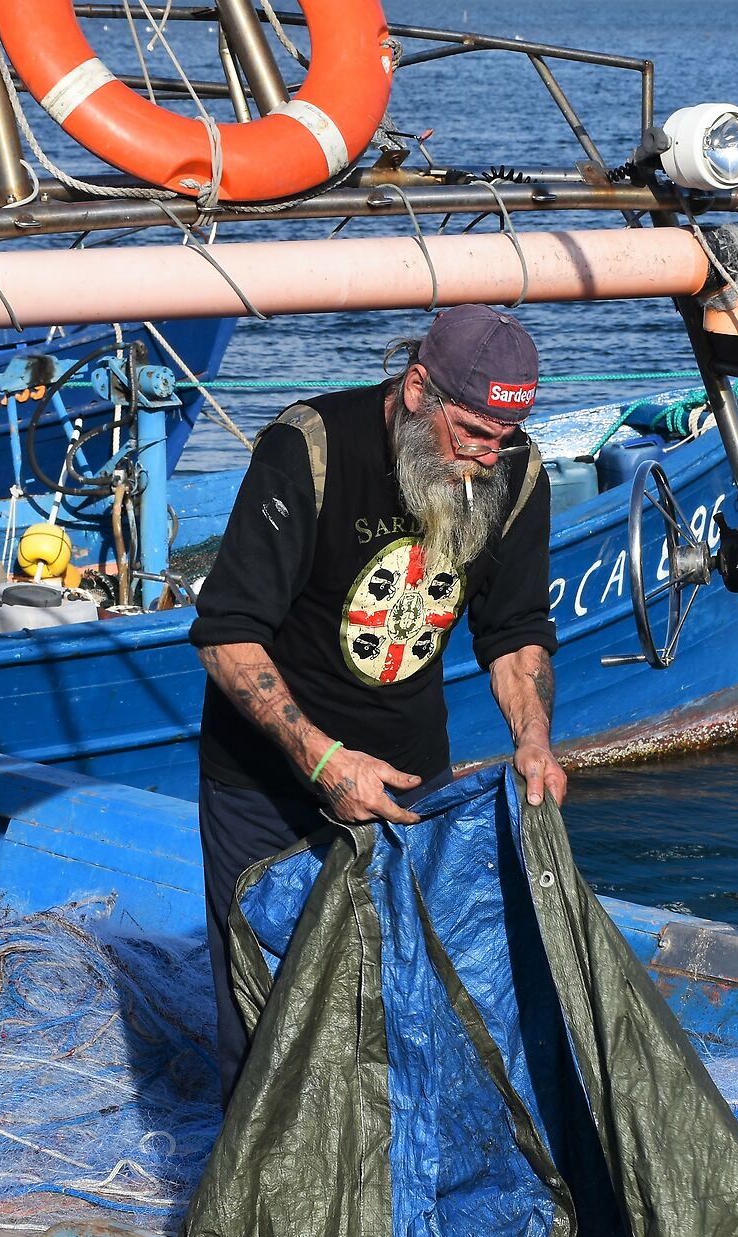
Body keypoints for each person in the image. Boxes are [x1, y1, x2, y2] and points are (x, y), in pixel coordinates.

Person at [191, 304, 568, 1096]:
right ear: (417, 388)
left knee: (398, 1015)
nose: (483, 457)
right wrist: (324, 762)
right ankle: (263, 1213)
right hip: (269, 784)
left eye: (502, 438)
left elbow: (514, 630)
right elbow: (227, 635)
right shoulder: (311, 448)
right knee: (268, 1021)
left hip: (406, 785)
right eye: (469, 432)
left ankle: (383, 1205)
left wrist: (533, 737)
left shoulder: (512, 470)